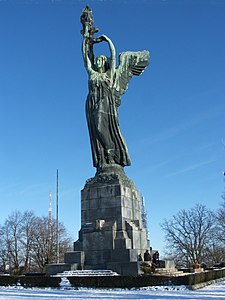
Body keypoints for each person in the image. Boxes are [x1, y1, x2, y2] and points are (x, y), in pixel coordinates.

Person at [81, 7, 149, 172]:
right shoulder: (92, 73)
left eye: (101, 59)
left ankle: (112, 153)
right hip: (92, 103)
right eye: (98, 59)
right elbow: (85, 56)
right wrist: (87, 39)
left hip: (106, 103)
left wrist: (107, 40)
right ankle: (104, 160)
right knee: (96, 133)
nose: (98, 61)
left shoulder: (110, 74)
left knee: (101, 127)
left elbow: (113, 54)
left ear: (105, 63)